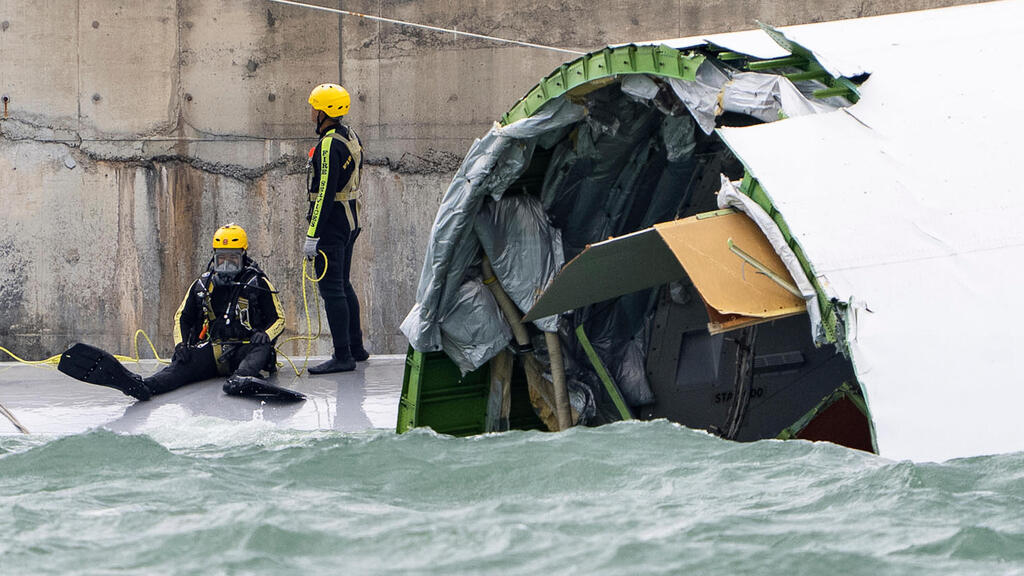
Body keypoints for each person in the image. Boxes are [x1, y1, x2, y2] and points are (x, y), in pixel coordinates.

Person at [58, 224, 297, 401]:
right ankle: (142, 385)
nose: (226, 266)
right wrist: (181, 345)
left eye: (232, 260)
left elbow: (279, 318)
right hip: (213, 351)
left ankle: (242, 379)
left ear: (243, 257)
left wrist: (265, 334)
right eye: (221, 259)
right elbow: (182, 317)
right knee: (180, 367)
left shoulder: (258, 283)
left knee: (260, 347)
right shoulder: (202, 284)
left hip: (245, 348)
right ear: (214, 256)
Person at [303, 82, 369, 374]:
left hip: (333, 225)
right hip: (350, 219)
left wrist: (312, 235)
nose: (311, 113)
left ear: (325, 112)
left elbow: (326, 192)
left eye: (314, 109)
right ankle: (356, 347)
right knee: (343, 285)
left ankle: (343, 355)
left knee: (332, 290)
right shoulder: (349, 135)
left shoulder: (329, 144)